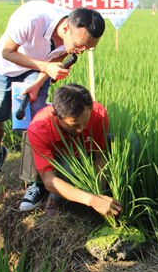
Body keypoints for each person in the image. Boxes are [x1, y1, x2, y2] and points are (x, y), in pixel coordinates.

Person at [0, 0, 104, 213]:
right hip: (6, 67)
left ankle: (36, 183)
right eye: (80, 45)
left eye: (88, 48)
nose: (81, 51)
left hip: (39, 69)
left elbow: (58, 58)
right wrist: (45, 66)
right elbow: (7, 52)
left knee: (35, 122)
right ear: (66, 28)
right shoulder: (31, 18)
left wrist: (37, 83)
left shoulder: (72, 42)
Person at [27, 83, 122, 217]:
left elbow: (100, 156)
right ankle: (55, 199)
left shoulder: (98, 113)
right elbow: (49, 179)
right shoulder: (40, 128)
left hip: (86, 154)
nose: (81, 129)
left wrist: (98, 193)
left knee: (130, 144)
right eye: (74, 124)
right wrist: (92, 200)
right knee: (69, 170)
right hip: (63, 161)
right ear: (57, 115)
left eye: (85, 121)